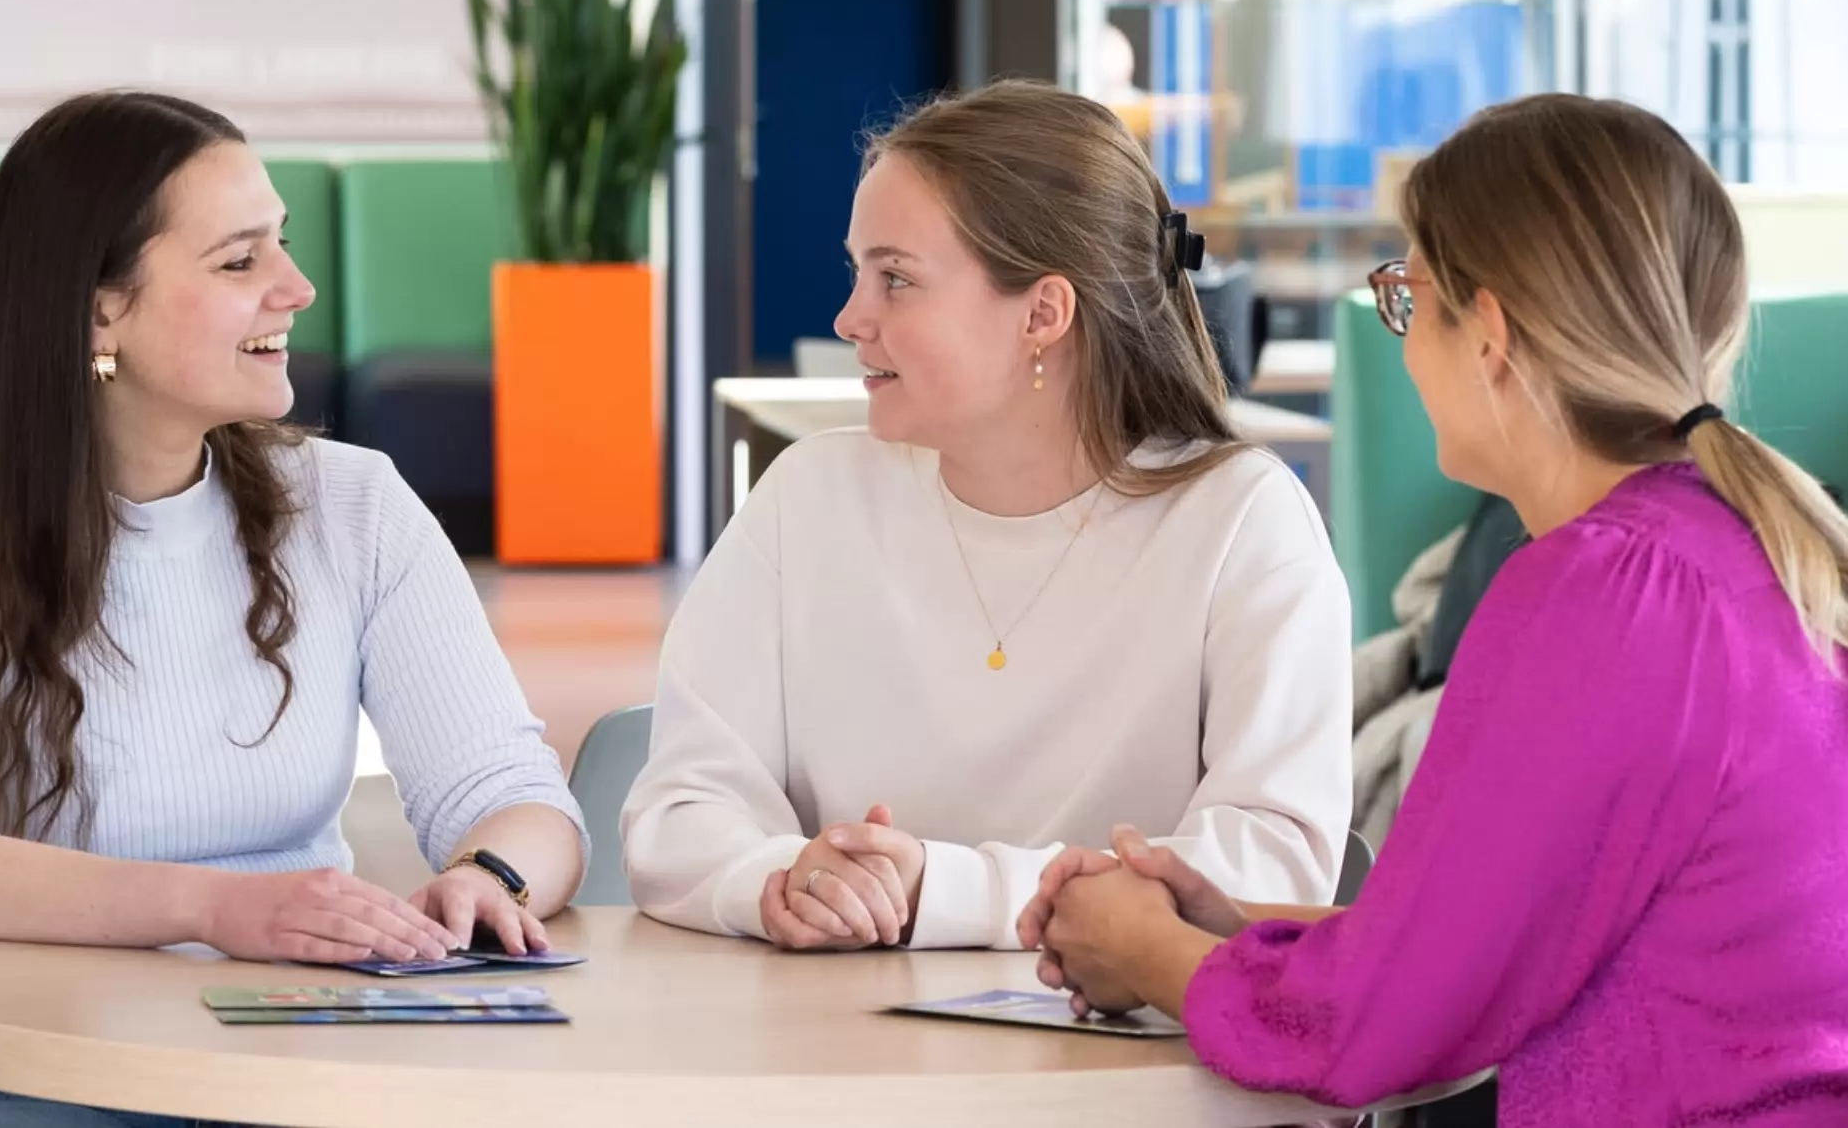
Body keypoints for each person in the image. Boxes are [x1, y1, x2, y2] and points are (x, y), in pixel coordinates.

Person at [1022, 94, 1848, 1125]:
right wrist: (1234, 927)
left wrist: (1145, 953)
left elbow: (1378, 1029)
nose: (1405, 347)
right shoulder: (1749, 551)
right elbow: (1480, 944)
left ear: (1490, 334)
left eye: (1409, 302)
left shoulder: (1601, 597)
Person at [0, 92, 586, 1128]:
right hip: (13, 1073)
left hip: (294, 1057)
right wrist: (221, 908)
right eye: (239, 263)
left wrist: (490, 875)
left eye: (284, 246)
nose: (297, 288)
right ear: (100, 309)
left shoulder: (355, 505)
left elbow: (516, 791)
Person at [623, 80, 1351, 952]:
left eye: (896, 278)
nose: (850, 318)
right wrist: (781, 880)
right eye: (856, 272)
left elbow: (1270, 866)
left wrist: (944, 889)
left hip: (1125, 1065)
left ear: (1042, 313)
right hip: (826, 1056)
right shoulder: (805, 499)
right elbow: (680, 810)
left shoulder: (1241, 523)